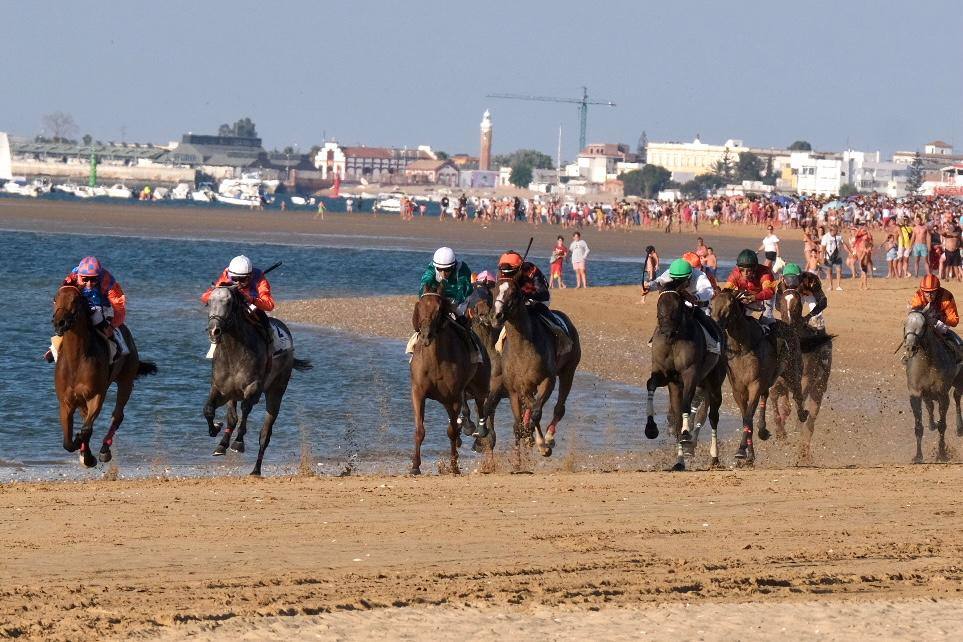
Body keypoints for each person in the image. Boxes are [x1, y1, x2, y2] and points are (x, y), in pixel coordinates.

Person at [46, 256, 129, 362]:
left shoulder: (108, 281)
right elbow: (62, 295)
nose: (89, 283)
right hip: (81, 303)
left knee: (97, 318)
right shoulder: (72, 277)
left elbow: (120, 308)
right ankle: (55, 347)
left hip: (102, 306)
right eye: (85, 279)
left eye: (93, 279)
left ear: (99, 276)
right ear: (79, 276)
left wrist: (112, 326)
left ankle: (117, 345)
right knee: (66, 321)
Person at [406, 247, 480, 361]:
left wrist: (451, 304)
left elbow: (464, 290)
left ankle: (474, 352)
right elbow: (423, 287)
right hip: (438, 298)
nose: (443, 273)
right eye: (440, 269)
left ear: (453, 266)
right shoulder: (431, 269)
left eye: (447, 270)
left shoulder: (462, 268)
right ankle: (414, 351)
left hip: (459, 300)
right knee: (426, 320)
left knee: (462, 322)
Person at [497, 250, 572, 355]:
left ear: (519, 267)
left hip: (537, 299)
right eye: (505, 271)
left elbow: (543, 292)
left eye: (511, 271)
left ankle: (560, 334)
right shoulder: (502, 274)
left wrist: (524, 295)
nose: (507, 274)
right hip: (516, 302)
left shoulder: (531, 270)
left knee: (536, 309)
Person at [201, 255, 276, 352]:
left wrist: (250, 299)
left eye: (243, 280)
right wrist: (218, 293)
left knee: (264, 322)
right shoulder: (226, 275)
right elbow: (204, 297)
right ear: (229, 276)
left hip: (252, 305)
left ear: (250, 277)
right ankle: (214, 343)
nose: (238, 283)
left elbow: (269, 305)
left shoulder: (259, 279)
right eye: (234, 279)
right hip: (233, 306)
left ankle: (270, 350)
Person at [910, 274, 962, 350]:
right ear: (922, 290)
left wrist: (940, 318)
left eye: (932, 292)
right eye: (926, 292)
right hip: (922, 325)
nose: (929, 295)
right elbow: (914, 315)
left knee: (959, 344)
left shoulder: (947, 297)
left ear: (938, 290)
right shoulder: (918, 295)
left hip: (941, 326)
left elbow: (954, 320)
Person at [779, 262, 828, 330]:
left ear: (800, 277)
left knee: (816, 316)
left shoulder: (812, 280)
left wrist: (808, 317)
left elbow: (823, 302)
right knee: (791, 313)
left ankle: (820, 329)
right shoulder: (782, 285)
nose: (791, 283)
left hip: (810, 295)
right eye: (788, 279)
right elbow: (778, 303)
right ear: (783, 278)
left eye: (794, 279)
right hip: (795, 296)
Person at [820, 225, 849, 291]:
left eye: (837, 230)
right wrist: (822, 257)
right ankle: (831, 286)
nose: (837, 232)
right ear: (831, 230)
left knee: (839, 270)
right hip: (829, 257)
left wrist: (850, 252)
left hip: (838, 256)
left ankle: (838, 286)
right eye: (836, 231)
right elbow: (823, 248)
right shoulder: (825, 237)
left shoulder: (839, 236)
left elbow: (844, 244)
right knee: (829, 271)